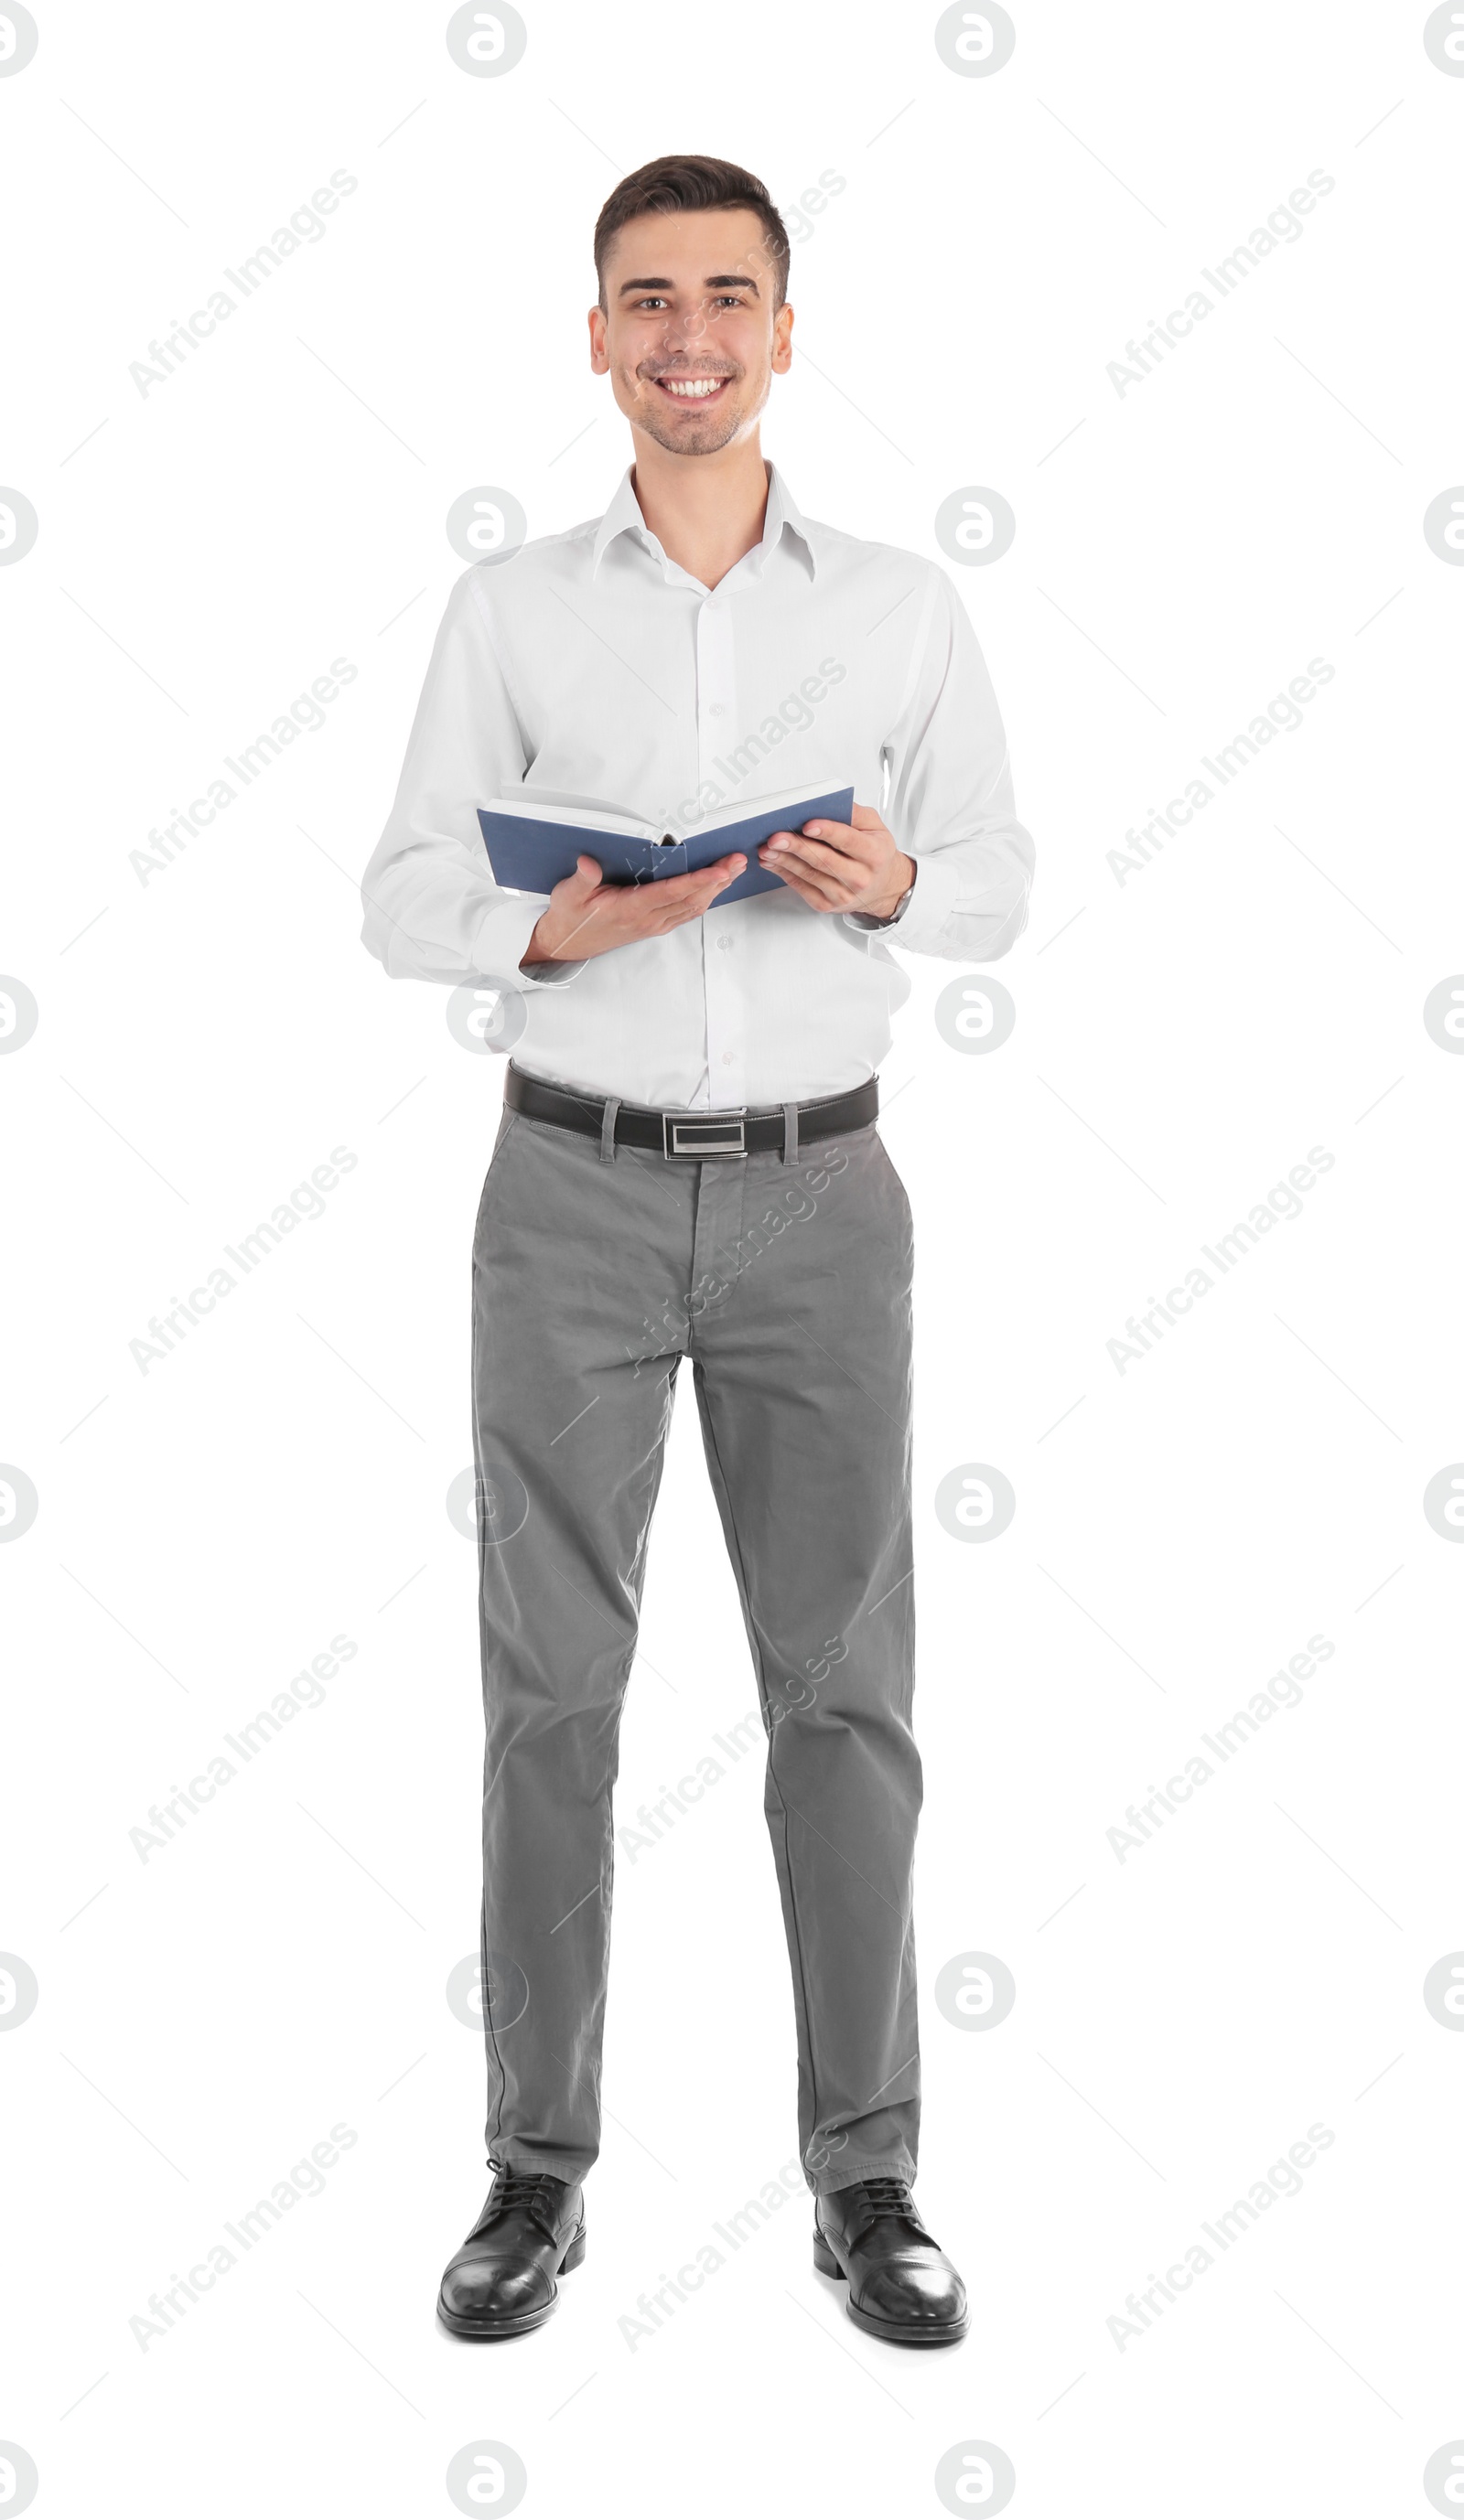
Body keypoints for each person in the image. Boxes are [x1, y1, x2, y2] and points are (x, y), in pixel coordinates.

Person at [360, 153, 1034, 2348]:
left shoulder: (897, 606)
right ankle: (529, 2173)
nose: (684, 335)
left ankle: (871, 2181)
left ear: (779, 329)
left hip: (823, 1201)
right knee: (546, 1694)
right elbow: (399, 896)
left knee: (844, 1698)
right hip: (562, 1188)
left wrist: (879, 881)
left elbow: (999, 878)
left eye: (724, 296)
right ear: (592, 337)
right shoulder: (513, 610)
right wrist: (552, 920)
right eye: (643, 298)